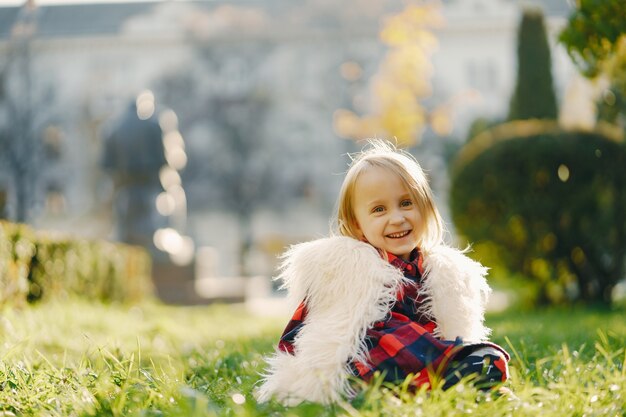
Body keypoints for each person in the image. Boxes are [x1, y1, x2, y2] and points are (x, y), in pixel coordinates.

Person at [256, 140, 510, 406]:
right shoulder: (349, 268)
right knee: (382, 339)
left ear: (424, 208)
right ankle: (438, 378)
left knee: (486, 358)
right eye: (379, 210)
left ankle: (449, 376)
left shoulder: (435, 270)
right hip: (370, 358)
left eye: (406, 203)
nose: (397, 218)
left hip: (428, 354)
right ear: (357, 225)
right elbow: (321, 330)